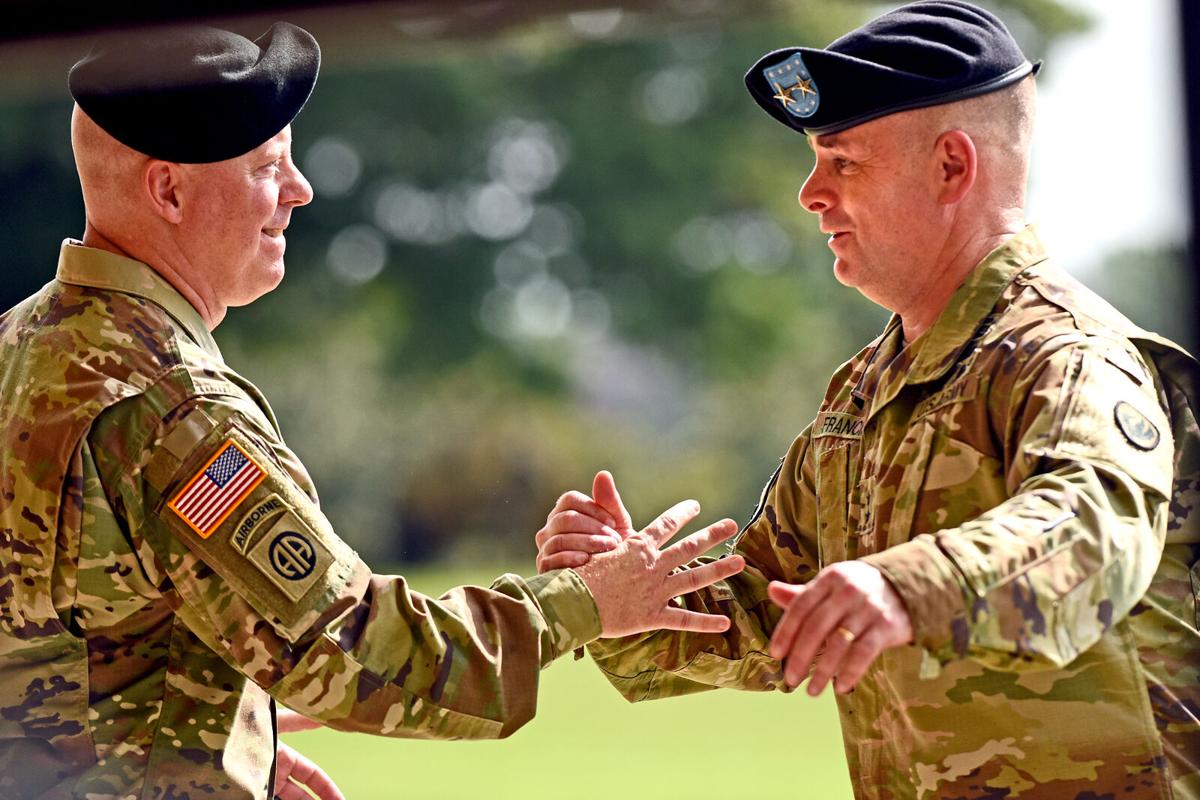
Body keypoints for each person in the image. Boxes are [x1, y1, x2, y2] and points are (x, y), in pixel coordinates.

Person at [0, 22, 747, 800]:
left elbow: (84, 649)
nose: (300, 191)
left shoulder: (19, 350)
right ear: (169, 189)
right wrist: (589, 601)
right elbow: (360, 651)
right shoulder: (172, 411)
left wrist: (233, 737)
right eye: (268, 167)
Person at [535, 2, 1200, 798]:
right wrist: (622, 590)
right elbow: (765, 614)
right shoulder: (867, 393)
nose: (810, 194)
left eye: (843, 161)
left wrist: (903, 587)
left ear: (952, 167)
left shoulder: (1067, 356)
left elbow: (1095, 533)